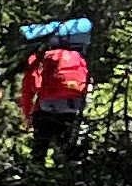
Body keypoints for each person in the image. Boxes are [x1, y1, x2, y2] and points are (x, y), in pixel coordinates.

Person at [19, 27, 91, 169]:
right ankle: (66, 177)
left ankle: (35, 174)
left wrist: (27, 116)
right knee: (67, 148)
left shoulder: (41, 59)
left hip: (46, 108)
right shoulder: (78, 57)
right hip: (72, 108)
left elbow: (30, 88)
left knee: (40, 148)